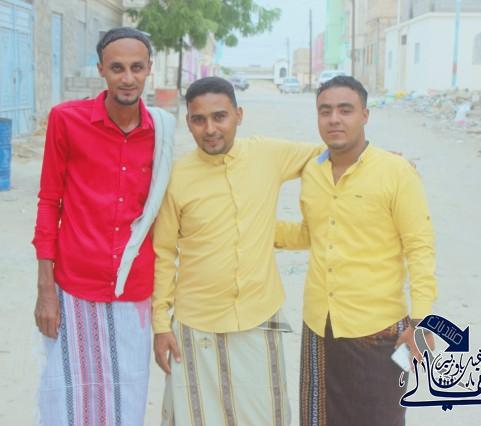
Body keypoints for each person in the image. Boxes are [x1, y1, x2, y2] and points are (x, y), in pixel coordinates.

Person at [152, 76, 321, 425]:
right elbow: (163, 253)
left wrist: (381, 164)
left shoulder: (267, 155)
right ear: (189, 122)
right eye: (199, 120)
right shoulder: (176, 176)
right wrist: (160, 325)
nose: (210, 129)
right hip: (196, 324)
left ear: (238, 115)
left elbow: (327, 156)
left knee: (266, 418)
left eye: (220, 117)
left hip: (258, 317)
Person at [32, 27, 175, 425]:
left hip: (133, 290)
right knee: (69, 398)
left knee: (127, 399)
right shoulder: (67, 120)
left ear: (149, 69)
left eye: (136, 68)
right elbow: (49, 202)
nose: (127, 78)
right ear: (101, 70)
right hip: (73, 286)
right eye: (117, 68)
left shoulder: (162, 131)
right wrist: (45, 290)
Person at [274, 76, 437, 426]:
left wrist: (422, 322)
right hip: (320, 327)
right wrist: (256, 229)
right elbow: (312, 233)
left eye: (345, 110)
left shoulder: (395, 172)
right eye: (325, 111)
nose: (334, 119)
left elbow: (420, 247)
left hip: (378, 332)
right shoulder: (313, 172)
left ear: (365, 114)